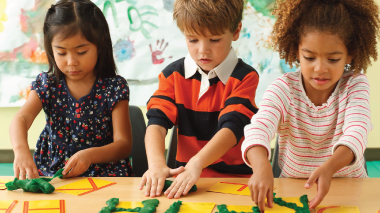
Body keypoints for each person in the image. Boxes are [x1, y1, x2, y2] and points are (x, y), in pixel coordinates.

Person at [242, 0, 380, 211]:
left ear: (349, 54)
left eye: (333, 59)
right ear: (296, 51)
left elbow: (356, 132)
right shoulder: (284, 88)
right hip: (295, 190)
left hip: (348, 188)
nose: (320, 68)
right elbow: (258, 128)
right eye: (309, 57)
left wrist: (330, 167)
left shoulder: (355, 85)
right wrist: (261, 167)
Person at [140, 0, 260, 199]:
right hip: (185, 182)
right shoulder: (173, 76)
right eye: (193, 40)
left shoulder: (245, 77)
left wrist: (196, 163)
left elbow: (232, 129)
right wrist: (156, 164)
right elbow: (156, 122)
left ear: (236, 31)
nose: (203, 50)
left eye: (214, 40)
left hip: (235, 182)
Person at [9, 0, 133, 179]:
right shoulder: (47, 85)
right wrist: (21, 151)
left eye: (81, 52)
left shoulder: (113, 87)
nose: (71, 61)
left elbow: (123, 145)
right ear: (51, 49)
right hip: (53, 171)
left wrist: (89, 156)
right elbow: (20, 119)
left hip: (103, 171)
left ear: (101, 44)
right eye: (61, 52)